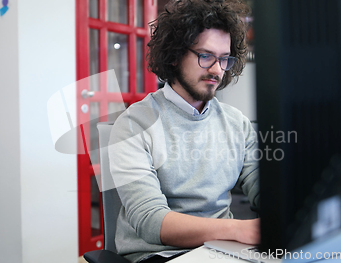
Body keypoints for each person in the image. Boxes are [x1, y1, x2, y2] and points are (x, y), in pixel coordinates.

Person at [108, 0, 259, 262]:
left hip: (224, 251)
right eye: (205, 56)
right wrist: (239, 229)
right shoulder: (133, 124)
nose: (217, 70)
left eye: (224, 59)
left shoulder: (236, 123)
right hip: (159, 254)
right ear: (175, 55)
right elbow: (152, 222)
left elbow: (264, 187)